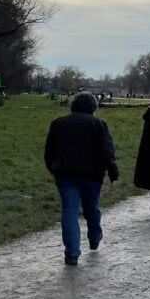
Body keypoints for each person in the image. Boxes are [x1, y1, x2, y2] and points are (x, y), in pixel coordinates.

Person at [44, 92, 119, 266]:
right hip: (91, 175)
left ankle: (72, 252)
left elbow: (50, 149)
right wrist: (112, 170)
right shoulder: (99, 124)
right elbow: (107, 150)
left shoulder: (58, 123)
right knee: (91, 207)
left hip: (65, 174)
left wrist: (51, 167)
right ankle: (94, 236)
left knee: (69, 210)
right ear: (93, 106)